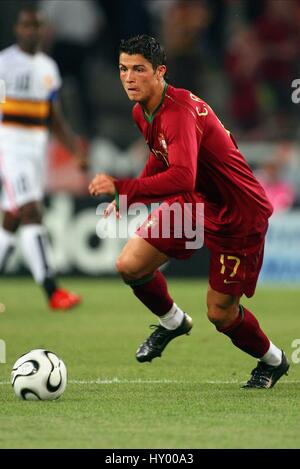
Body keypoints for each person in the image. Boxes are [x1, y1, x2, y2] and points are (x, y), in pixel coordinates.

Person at [89, 35, 289, 388]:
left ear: (160, 72)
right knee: (130, 266)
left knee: (220, 313)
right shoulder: (142, 111)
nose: (129, 78)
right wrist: (128, 199)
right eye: (123, 69)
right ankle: (172, 321)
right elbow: (160, 155)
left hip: (237, 212)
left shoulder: (179, 112)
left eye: (139, 69)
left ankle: (273, 360)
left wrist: (124, 187)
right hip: (197, 201)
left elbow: (182, 176)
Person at [0, 7, 87, 310]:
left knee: (11, 218)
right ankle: (52, 290)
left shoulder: (49, 68)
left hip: (36, 151)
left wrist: (75, 150)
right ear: (17, 29)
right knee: (31, 212)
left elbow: (55, 118)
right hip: (10, 149)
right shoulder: (4, 64)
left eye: (36, 26)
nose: (31, 31)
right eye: (26, 25)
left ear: (43, 30)